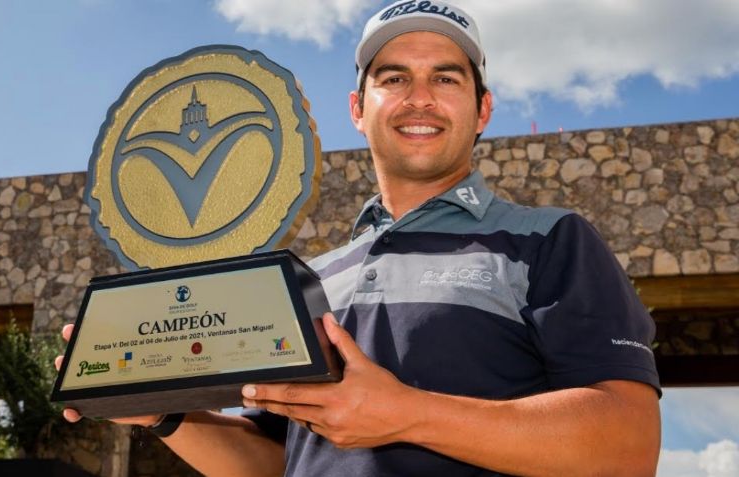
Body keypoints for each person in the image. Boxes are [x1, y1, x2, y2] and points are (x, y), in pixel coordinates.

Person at [57, 1, 661, 475]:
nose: (418, 97)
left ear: (482, 110)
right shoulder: (307, 280)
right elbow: (279, 463)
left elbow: (628, 446)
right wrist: (165, 414)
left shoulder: (550, 240)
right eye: (393, 77)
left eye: (445, 79)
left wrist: (409, 416)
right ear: (357, 107)